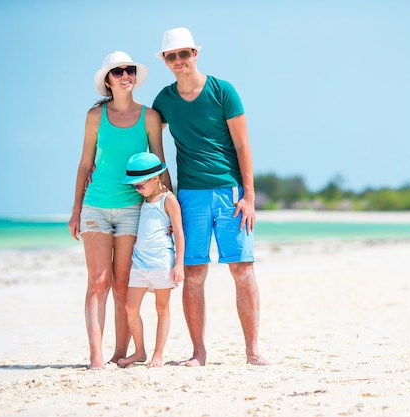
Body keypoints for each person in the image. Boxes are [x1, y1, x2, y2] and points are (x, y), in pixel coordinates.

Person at [152, 27, 268, 366]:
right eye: (171, 56)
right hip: (189, 195)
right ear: (164, 60)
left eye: (183, 54)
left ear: (195, 54)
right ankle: (198, 353)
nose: (178, 61)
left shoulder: (223, 91)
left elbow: (243, 144)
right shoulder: (164, 101)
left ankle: (253, 350)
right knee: (194, 273)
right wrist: (164, 199)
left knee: (242, 269)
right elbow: (153, 149)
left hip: (230, 193)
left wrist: (249, 195)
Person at [67, 51, 171, 370]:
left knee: (123, 283)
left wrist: (169, 209)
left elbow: (160, 165)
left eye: (129, 70)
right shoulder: (94, 116)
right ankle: (96, 356)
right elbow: (86, 164)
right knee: (98, 281)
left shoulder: (150, 117)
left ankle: (120, 352)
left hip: (132, 209)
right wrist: (75, 211)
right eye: (118, 71)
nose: (125, 75)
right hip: (95, 206)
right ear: (108, 80)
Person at [117, 152, 185, 368]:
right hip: (140, 264)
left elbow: (179, 233)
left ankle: (158, 354)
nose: (137, 189)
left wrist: (179, 265)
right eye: (134, 186)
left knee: (162, 307)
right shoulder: (144, 200)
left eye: (140, 185)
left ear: (156, 178)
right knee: (130, 308)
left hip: (162, 263)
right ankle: (139, 351)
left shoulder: (169, 199)